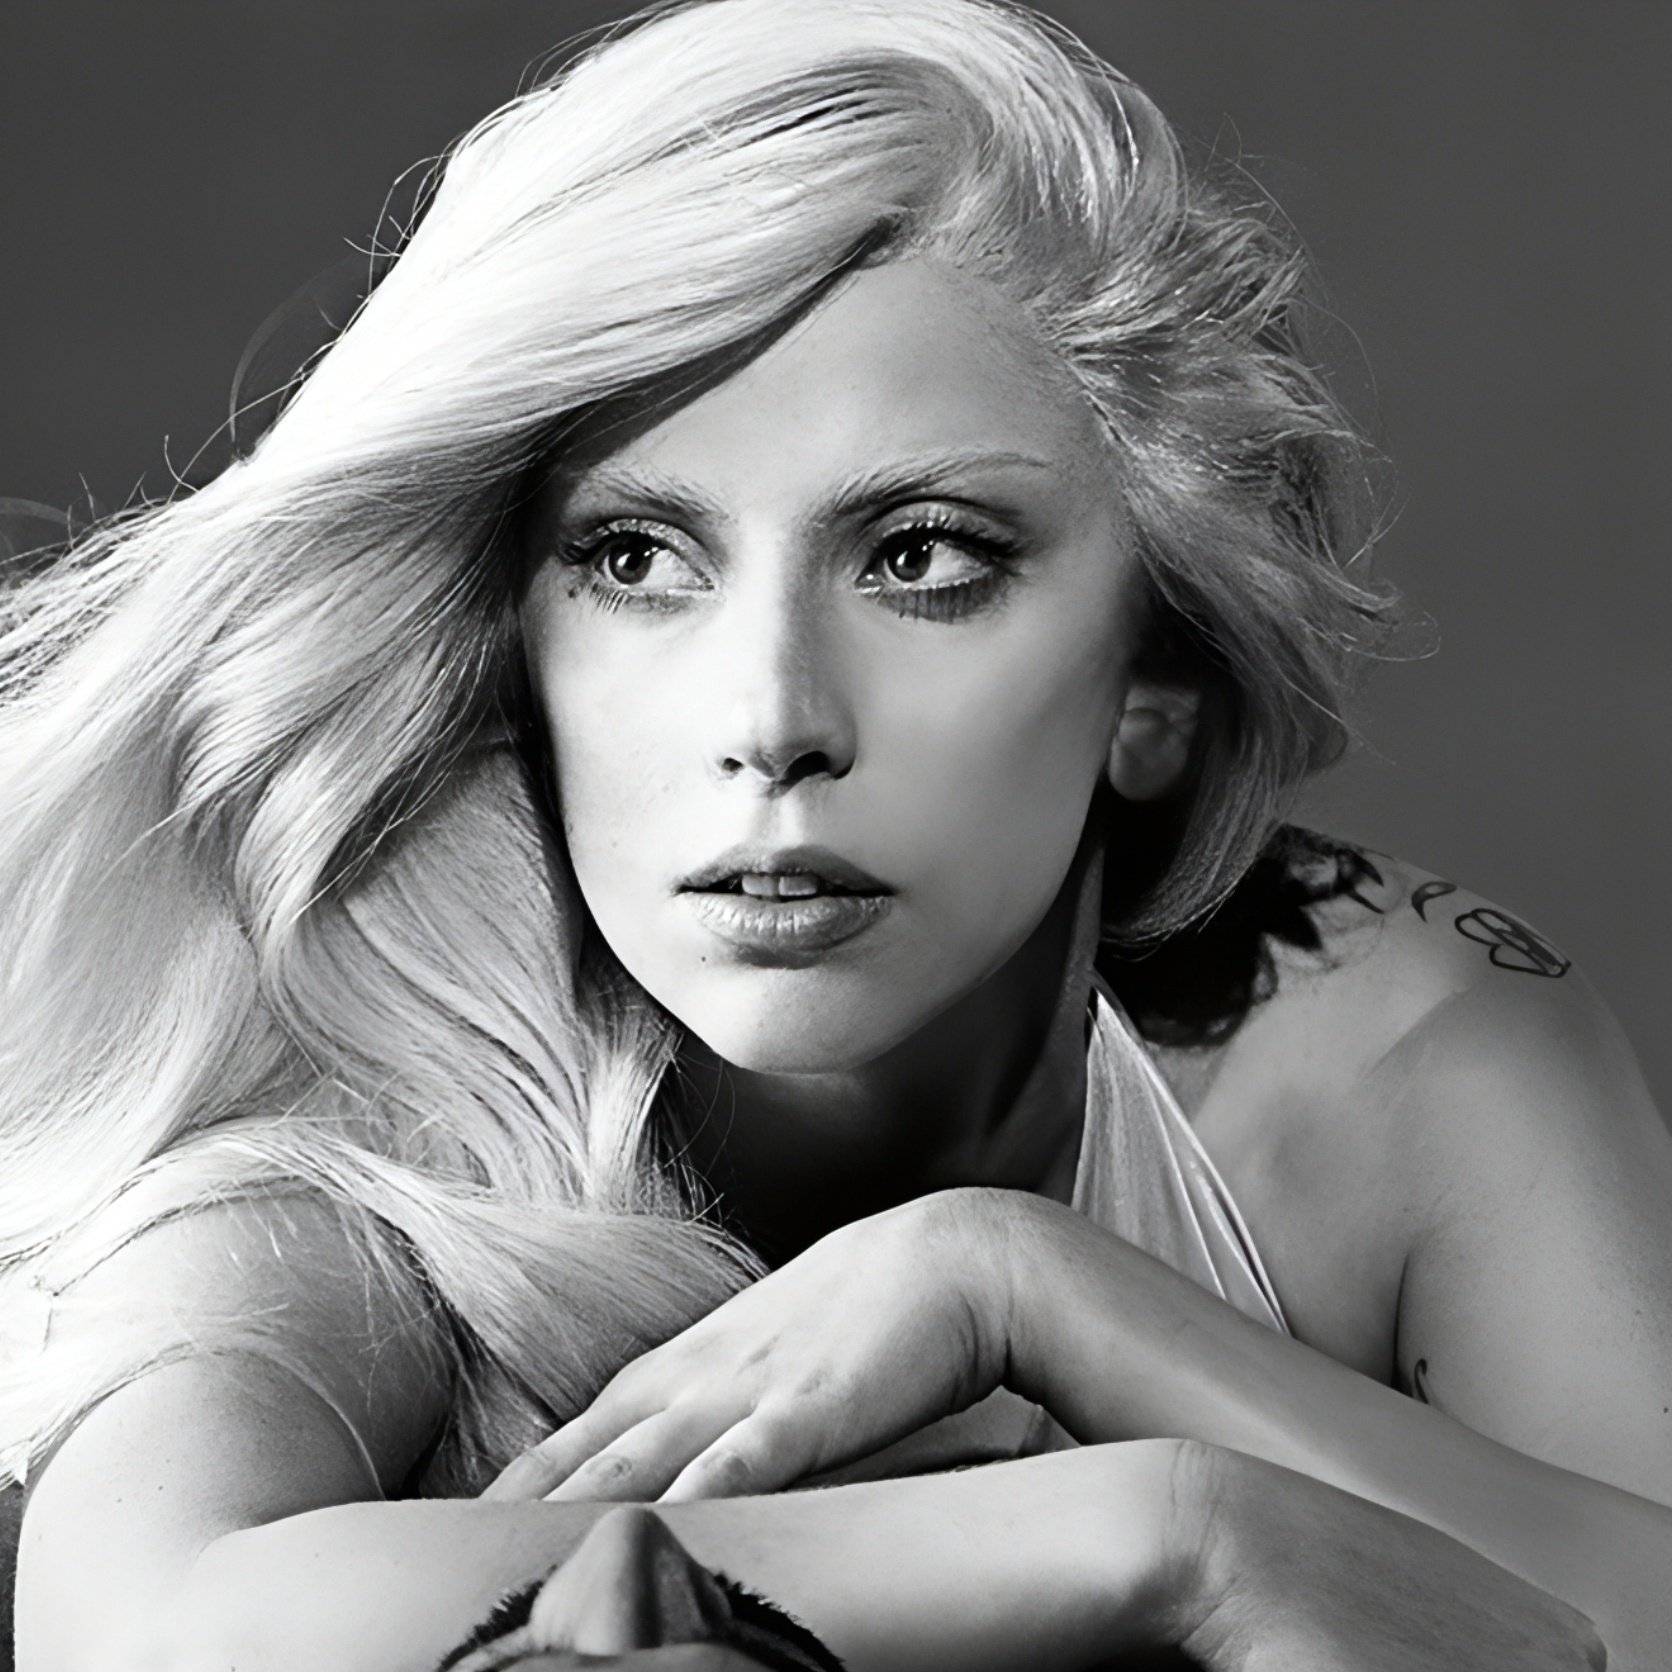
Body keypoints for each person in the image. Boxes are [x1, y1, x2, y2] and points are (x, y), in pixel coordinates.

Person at [1, 0, 1665, 1665]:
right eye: (638, 561)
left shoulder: (1391, 1046)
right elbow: (140, 1636)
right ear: (515, 655)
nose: (773, 718)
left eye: (922, 557)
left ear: (1154, 679)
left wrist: (1019, 1285)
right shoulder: (362, 1100)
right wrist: (1171, 1531)